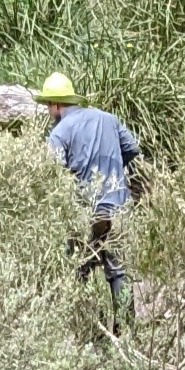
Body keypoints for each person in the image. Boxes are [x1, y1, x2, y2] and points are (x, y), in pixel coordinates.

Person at [37, 71, 139, 306]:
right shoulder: (109, 119)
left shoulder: (59, 132)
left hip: (85, 211)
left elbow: (52, 173)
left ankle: (84, 328)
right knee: (120, 271)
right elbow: (132, 149)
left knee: (78, 269)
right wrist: (113, 171)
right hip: (118, 206)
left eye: (47, 106)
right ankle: (125, 334)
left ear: (55, 105)